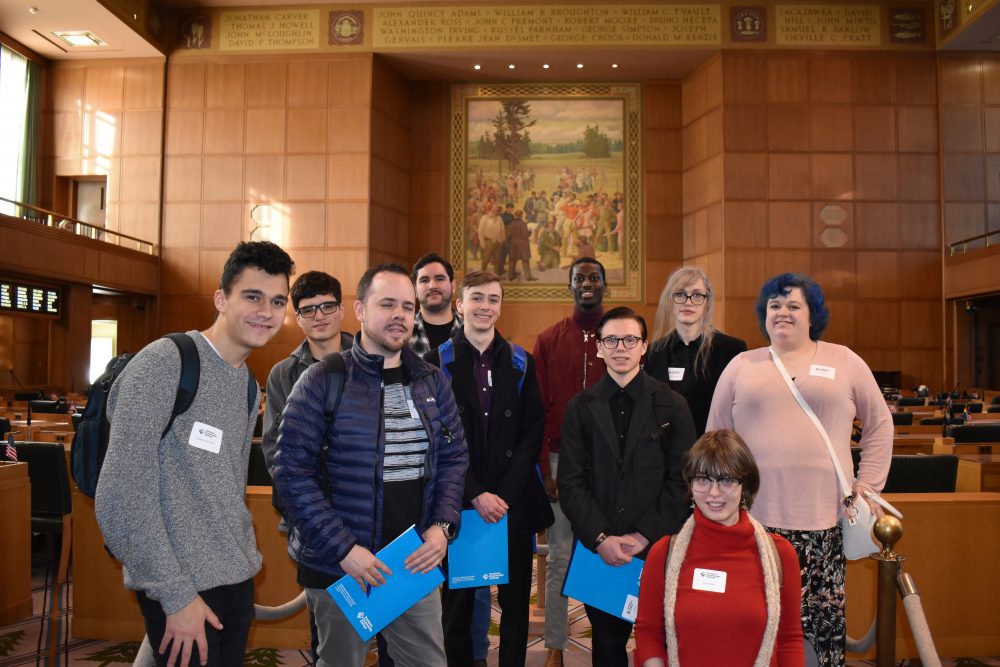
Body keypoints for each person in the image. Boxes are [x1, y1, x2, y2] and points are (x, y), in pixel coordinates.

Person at [95, 241, 295, 667]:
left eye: (278, 301)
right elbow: (120, 498)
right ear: (221, 299)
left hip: (235, 581)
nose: (267, 311)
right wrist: (174, 593)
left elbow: (224, 491)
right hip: (182, 587)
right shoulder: (165, 363)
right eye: (252, 296)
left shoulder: (245, 384)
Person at [272, 263, 469, 667]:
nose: (399, 315)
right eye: (386, 304)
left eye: (406, 307)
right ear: (360, 310)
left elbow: (454, 458)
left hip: (413, 559)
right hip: (341, 563)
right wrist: (344, 549)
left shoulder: (432, 380)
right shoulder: (321, 380)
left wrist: (442, 527)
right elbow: (291, 476)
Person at [706, 273, 893, 667]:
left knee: (820, 637)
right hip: (753, 524)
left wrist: (869, 487)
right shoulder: (741, 365)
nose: (783, 313)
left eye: (794, 305)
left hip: (824, 524)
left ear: (813, 315)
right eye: (775, 305)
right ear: (764, 315)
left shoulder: (844, 360)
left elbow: (879, 424)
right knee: (756, 627)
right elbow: (715, 440)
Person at [426, 271, 553, 667]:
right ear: (459, 305)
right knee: (458, 603)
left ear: (501, 306)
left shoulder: (520, 360)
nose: (485, 307)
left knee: (516, 603)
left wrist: (503, 495)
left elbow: (533, 431)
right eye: (476, 298)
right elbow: (436, 435)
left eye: (493, 299)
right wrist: (476, 492)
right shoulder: (436, 363)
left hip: (511, 503)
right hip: (459, 502)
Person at [557, 306, 696, 667]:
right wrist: (602, 538)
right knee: (606, 646)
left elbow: (681, 480)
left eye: (630, 339)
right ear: (599, 348)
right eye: (612, 340)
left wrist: (643, 536)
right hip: (599, 548)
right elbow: (571, 483)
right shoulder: (580, 408)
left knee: (665, 643)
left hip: (658, 546)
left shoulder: (673, 405)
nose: (621, 347)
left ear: (644, 346)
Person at [634, 429, 804, 667]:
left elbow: (789, 639)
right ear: (690, 486)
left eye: (727, 480)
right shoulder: (664, 554)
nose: (714, 493)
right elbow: (648, 631)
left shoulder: (780, 554)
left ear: (745, 486)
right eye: (702, 479)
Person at [533, 256, 608, 667]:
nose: (586, 283)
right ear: (569, 286)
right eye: (579, 278)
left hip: (605, 466)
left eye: (594, 277)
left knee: (605, 553)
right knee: (560, 555)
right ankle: (555, 647)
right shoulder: (548, 339)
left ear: (603, 285)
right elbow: (538, 411)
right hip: (561, 463)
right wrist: (546, 468)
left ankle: (607, 646)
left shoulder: (617, 336)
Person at [262, 271, 353, 473]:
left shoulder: (370, 362)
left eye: (327, 307)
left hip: (362, 491)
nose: (319, 316)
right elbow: (273, 445)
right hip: (303, 491)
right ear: (298, 318)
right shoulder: (282, 374)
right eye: (308, 310)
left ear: (341, 310)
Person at [646, 267, 747, 436]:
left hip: (712, 452)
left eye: (697, 295)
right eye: (680, 294)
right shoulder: (654, 352)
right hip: (665, 455)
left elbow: (741, 411)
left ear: (707, 302)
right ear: (670, 301)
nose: (688, 301)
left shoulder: (732, 350)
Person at [410, 253, 464, 357]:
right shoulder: (403, 330)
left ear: (453, 286)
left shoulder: (469, 330)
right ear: (415, 290)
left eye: (439, 279)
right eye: (424, 280)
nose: (432, 286)